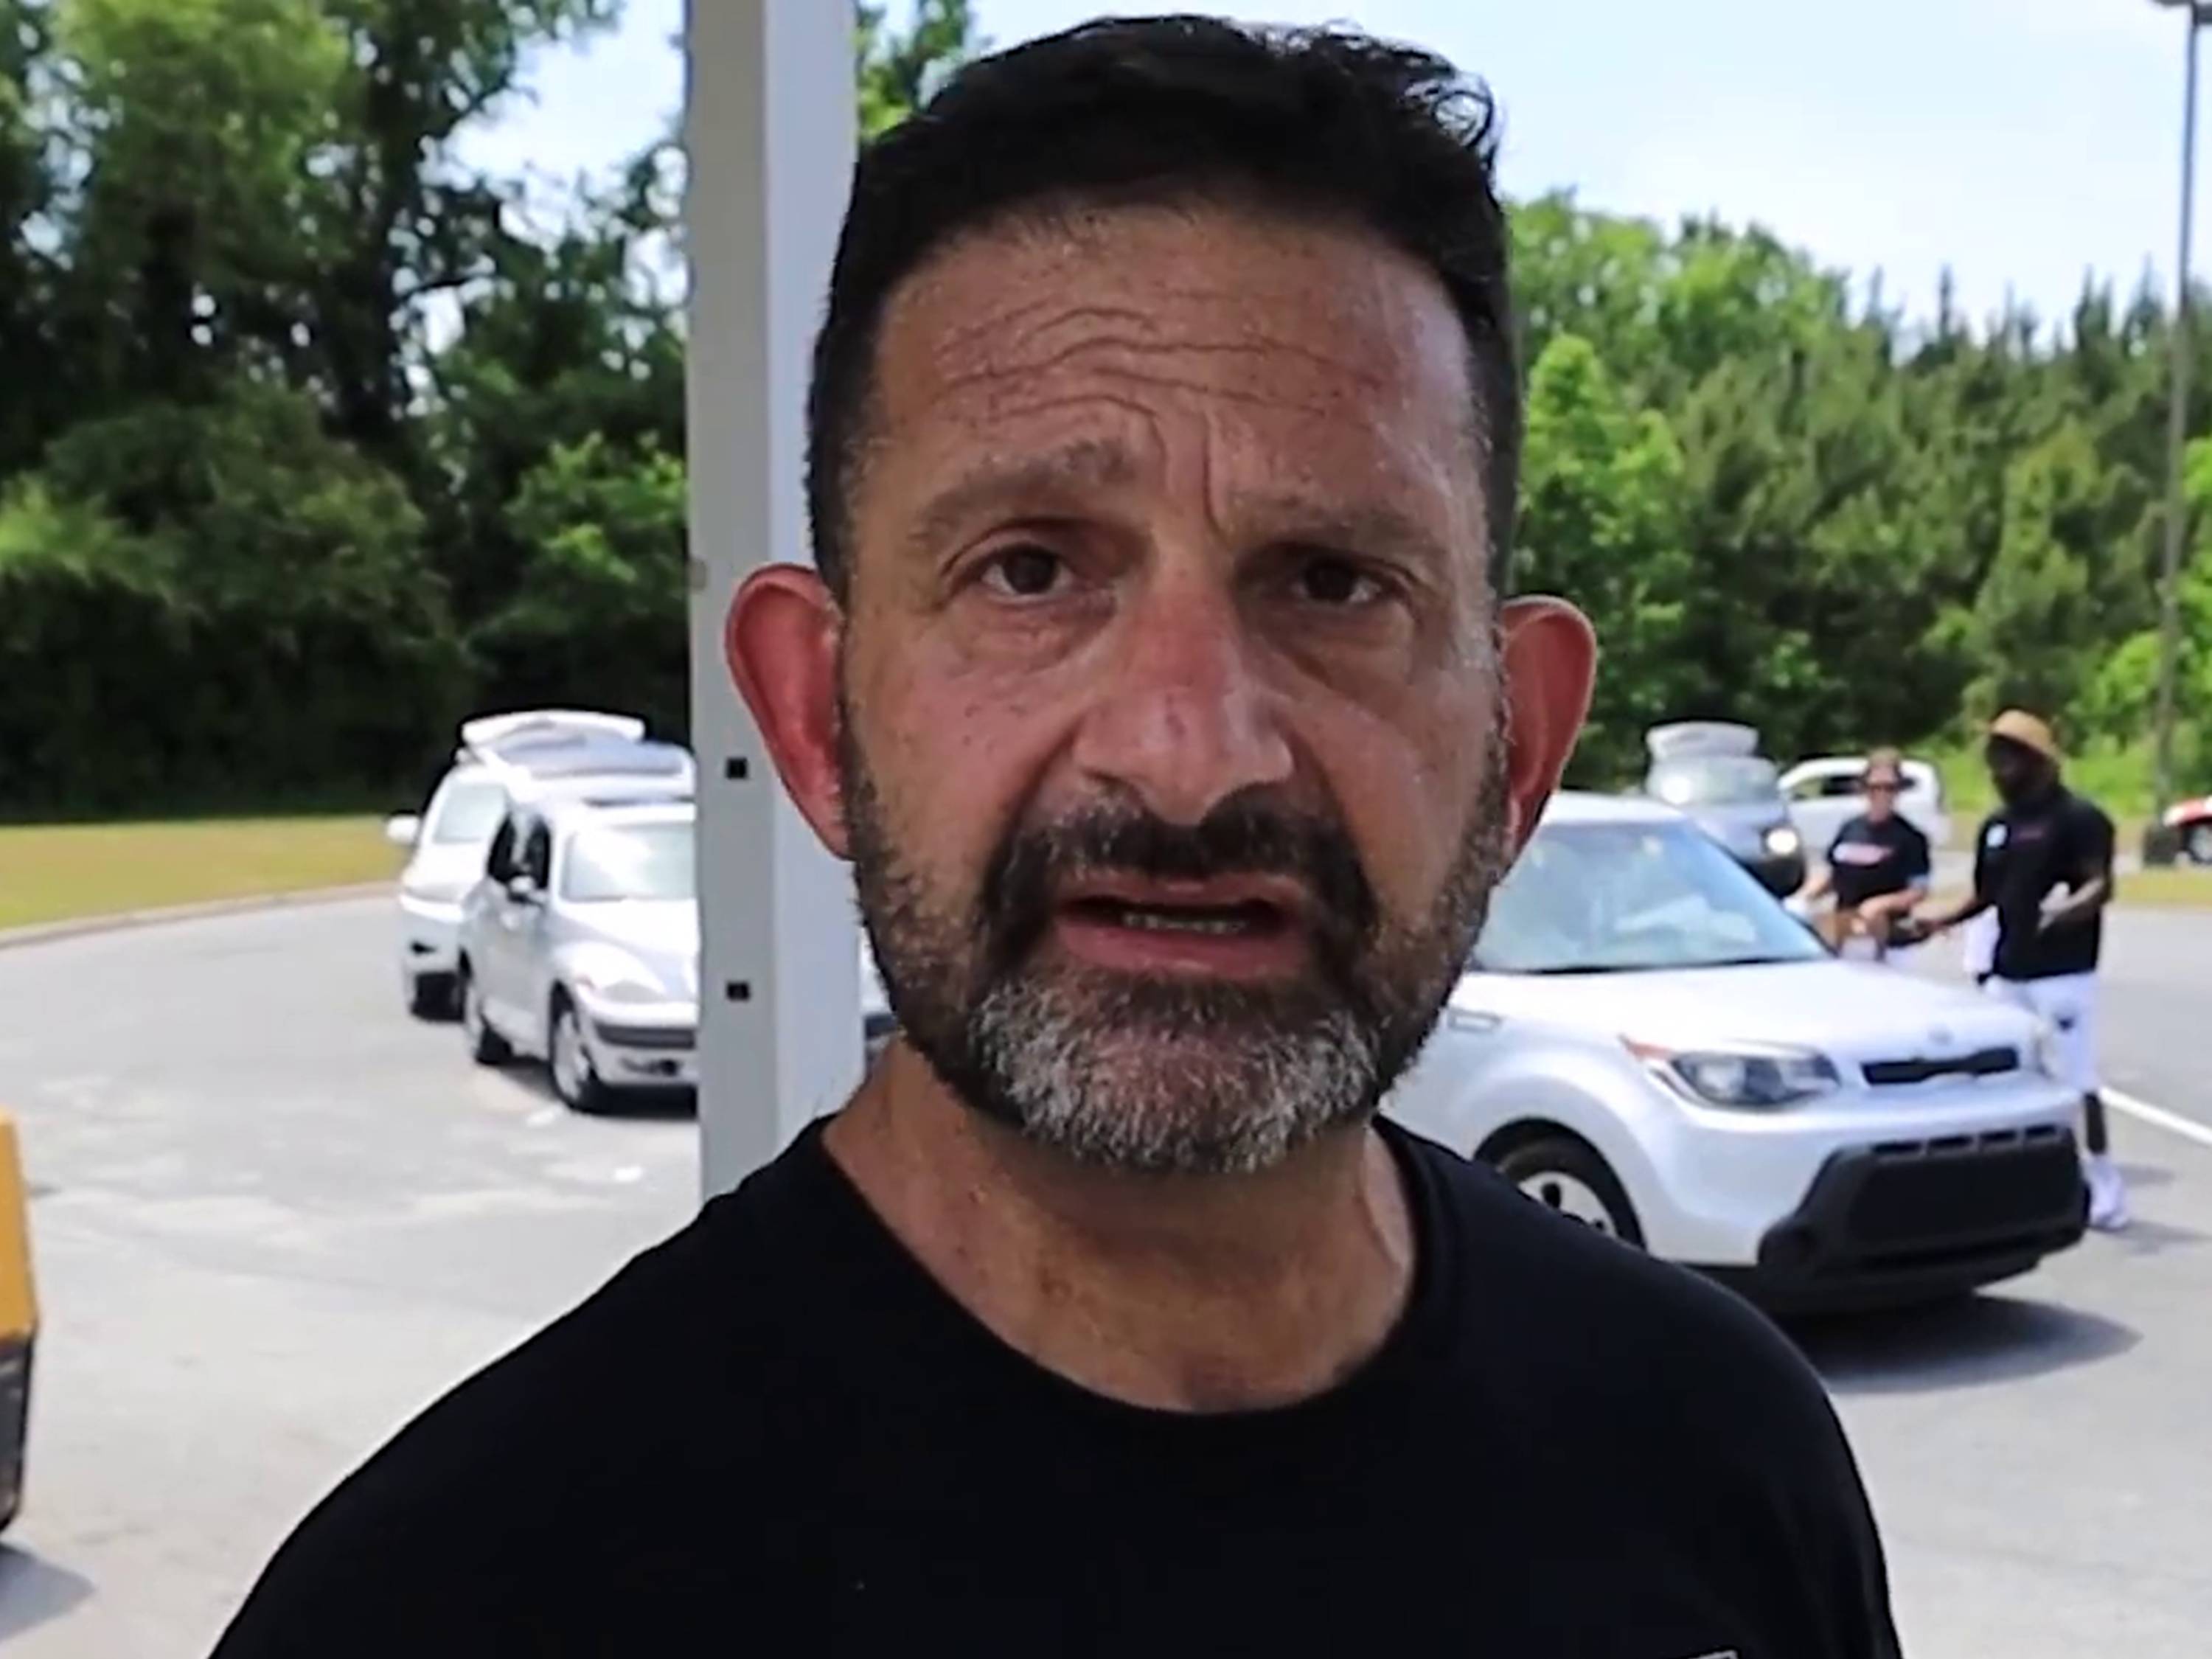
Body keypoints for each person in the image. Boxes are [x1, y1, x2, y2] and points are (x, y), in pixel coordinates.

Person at [212, 20, 1899, 1657]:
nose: (1188, 755)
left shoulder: (1718, 1454)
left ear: (1514, 742)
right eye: (1028, 571)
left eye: (1331, 583)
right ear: (815, 716)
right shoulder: (446, 1601)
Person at [1913, 710, 2126, 1231]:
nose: (1998, 770)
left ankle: (2105, 1183)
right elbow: (1985, 895)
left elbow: (2100, 883)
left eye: (2009, 758)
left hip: (2063, 972)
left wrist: (2067, 910)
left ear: (2037, 762)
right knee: (2001, 1078)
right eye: (1994, 758)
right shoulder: (1998, 827)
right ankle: (2011, 1179)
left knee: (2075, 1078)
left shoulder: (2078, 818)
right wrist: (1939, 920)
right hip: (2008, 969)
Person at [1796, 747, 1933, 959]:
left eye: (1889, 788)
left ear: (1898, 791)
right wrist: (1804, 898)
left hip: (1891, 939)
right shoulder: (1849, 829)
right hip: (1847, 930)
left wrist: (1880, 904)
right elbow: (1832, 875)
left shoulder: (1911, 838)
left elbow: (1918, 891)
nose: (1881, 794)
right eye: (1874, 787)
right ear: (1863, 789)